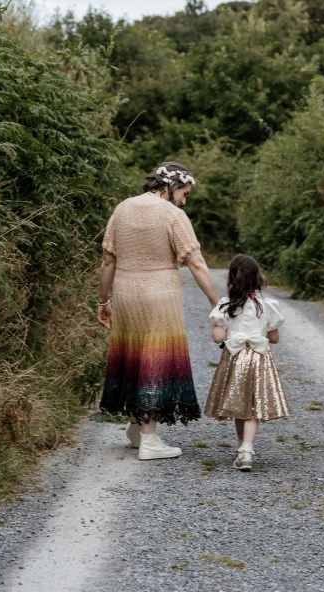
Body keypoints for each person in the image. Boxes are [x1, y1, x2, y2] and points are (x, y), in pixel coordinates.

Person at [97, 161, 219, 461]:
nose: (184, 200)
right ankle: (150, 440)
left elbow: (108, 261)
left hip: (124, 292)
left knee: (133, 355)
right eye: (185, 193)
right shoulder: (173, 215)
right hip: (159, 293)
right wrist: (216, 301)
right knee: (154, 359)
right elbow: (197, 262)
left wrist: (103, 301)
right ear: (171, 186)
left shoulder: (122, 208)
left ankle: (136, 428)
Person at [204, 254, 290, 471]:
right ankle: (247, 449)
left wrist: (220, 328)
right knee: (252, 407)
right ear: (257, 278)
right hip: (259, 358)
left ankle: (242, 449)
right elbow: (274, 338)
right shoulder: (267, 305)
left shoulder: (226, 305)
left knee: (238, 405)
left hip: (235, 358)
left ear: (232, 279)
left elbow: (217, 337)